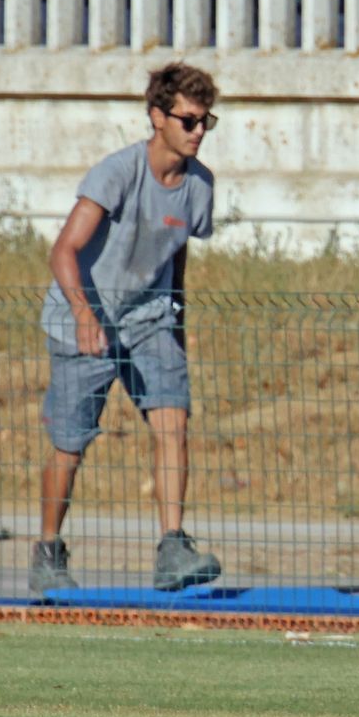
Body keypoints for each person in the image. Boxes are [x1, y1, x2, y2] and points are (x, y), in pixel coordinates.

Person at [31, 62, 224, 595]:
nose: (198, 131)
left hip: (149, 320)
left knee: (173, 422)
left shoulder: (200, 185)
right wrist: (85, 315)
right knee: (70, 445)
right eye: (188, 120)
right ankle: (48, 548)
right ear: (157, 117)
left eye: (206, 121)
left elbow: (177, 252)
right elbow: (64, 251)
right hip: (83, 319)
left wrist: (175, 318)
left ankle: (172, 546)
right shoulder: (116, 173)